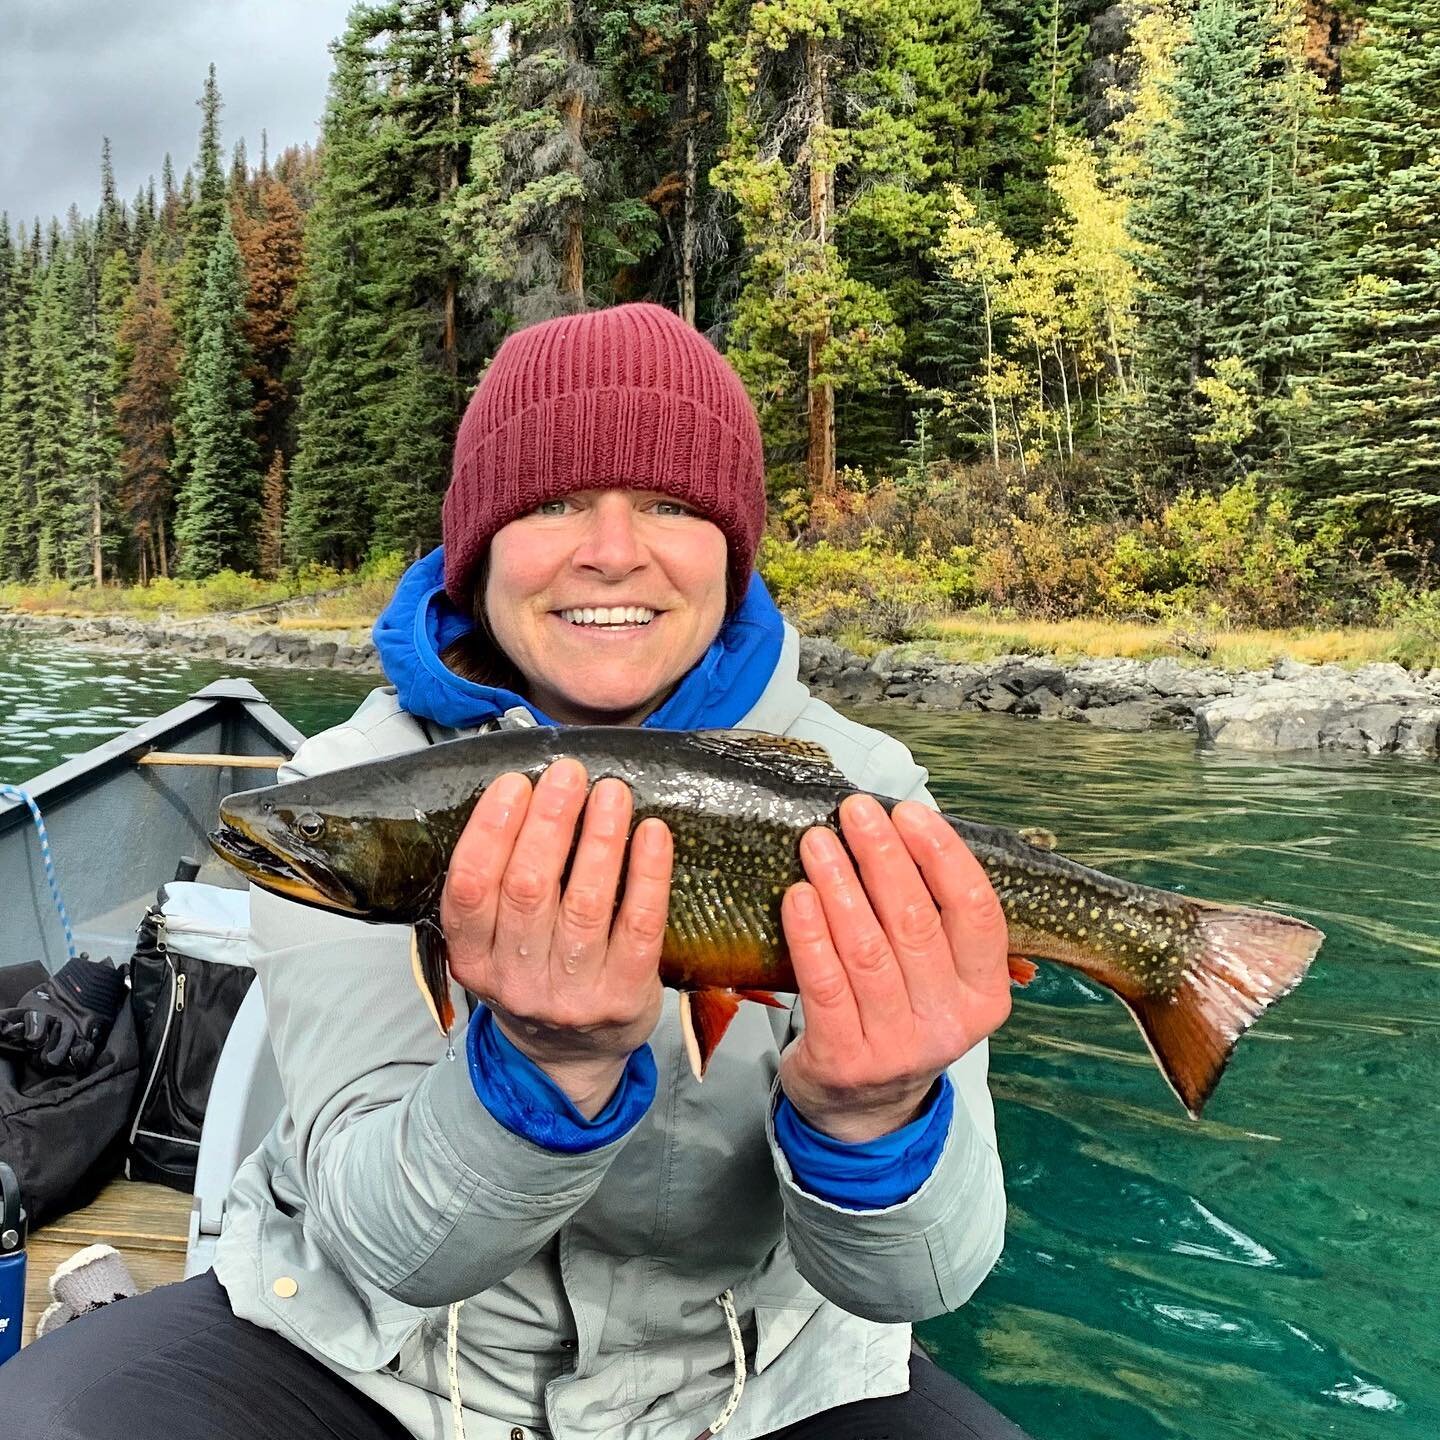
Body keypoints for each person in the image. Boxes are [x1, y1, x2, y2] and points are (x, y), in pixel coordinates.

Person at [3, 303, 1026, 1440]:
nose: (612, 549)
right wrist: (540, 1076)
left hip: (757, 1383)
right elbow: (391, 1247)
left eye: (673, 505)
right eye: (553, 502)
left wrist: (875, 1115)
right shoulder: (354, 781)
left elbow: (922, 1285)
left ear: (730, 555)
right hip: (366, 1356)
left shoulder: (867, 792)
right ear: (477, 543)